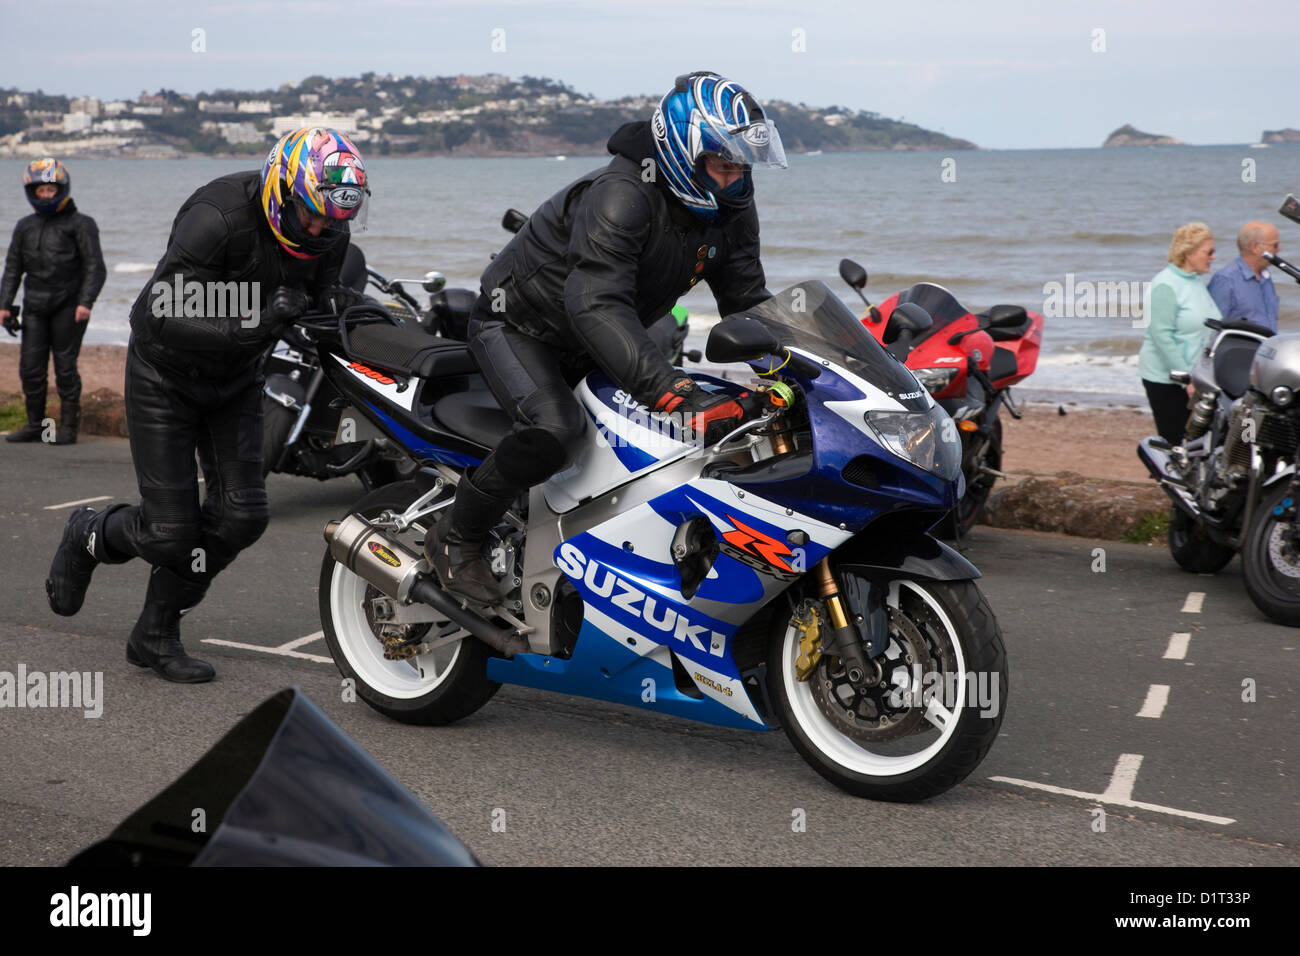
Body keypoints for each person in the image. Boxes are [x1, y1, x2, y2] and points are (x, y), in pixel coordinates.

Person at [426, 71, 786, 605]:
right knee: (555, 429)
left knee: (658, 444)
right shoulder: (622, 197)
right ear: (683, 154)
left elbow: (748, 301)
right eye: (721, 163)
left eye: (740, 166)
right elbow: (596, 302)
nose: (733, 179)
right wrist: (672, 390)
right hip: (521, 326)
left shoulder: (729, 208)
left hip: (600, 331)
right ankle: (456, 538)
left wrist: (795, 369)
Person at [44, 127, 369, 683]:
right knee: (169, 532)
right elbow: (155, 313)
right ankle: (89, 532)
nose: (317, 229)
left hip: (236, 382)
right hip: (164, 377)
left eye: (331, 221)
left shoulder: (328, 236)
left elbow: (323, 302)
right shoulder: (218, 217)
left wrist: (345, 311)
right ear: (282, 189)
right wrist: (259, 320)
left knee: (242, 517)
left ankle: (155, 633)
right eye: (310, 215)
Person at [0, 158, 106, 444]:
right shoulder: (25, 227)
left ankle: (68, 430)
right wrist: (4, 305)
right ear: (32, 193)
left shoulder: (82, 224)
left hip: (68, 307)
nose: (45, 195)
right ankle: (40, 427)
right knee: (31, 371)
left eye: (50, 189)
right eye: (40, 191)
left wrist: (86, 303)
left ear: (61, 189)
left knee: (65, 369)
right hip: (34, 307)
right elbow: (12, 268)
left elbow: (96, 268)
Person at [1139, 222, 1221, 444]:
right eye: (1209, 252)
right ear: (1189, 252)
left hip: (1195, 378)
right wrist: (1187, 379)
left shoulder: (1194, 281)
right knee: (1177, 444)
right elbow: (1161, 337)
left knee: (1200, 444)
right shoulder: (1166, 284)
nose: (1214, 257)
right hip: (1167, 380)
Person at [1208, 221, 1281, 332]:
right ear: (1255, 247)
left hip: (1266, 347)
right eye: (1275, 245)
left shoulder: (1266, 277)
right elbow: (1213, 327)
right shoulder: (1225, 279)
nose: (1278, 250)